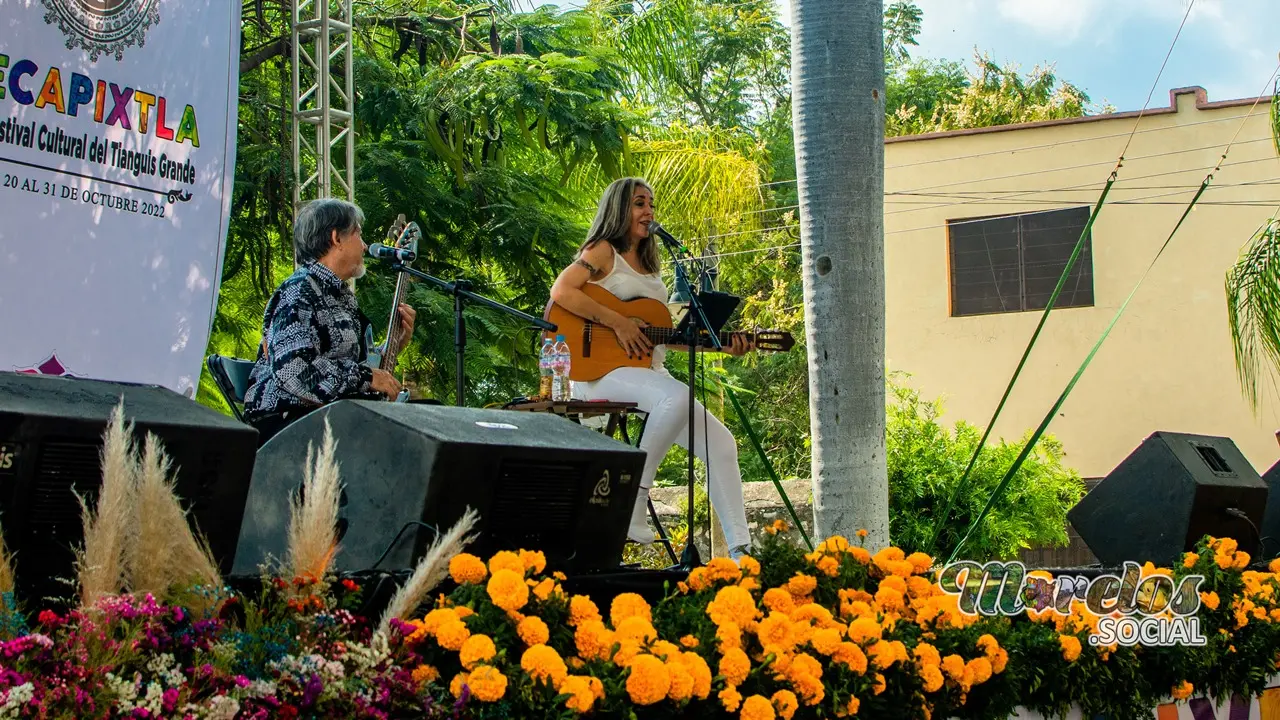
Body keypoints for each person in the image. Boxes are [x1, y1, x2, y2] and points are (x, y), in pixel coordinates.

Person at [549, 177, 756, 559]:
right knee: (676, 396)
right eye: (640, 204)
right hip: (596, 373)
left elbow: (659, 337)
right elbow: (561, 292)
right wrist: (618, 322)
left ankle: (741, 552)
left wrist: (724, 346)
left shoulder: (650, 266)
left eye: (652, 205)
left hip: (647, 374)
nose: (649, 212)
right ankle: (632, 501)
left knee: (722, 444)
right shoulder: (601, 251)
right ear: (619, 210)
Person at [243, 198, 415, 446]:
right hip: (288, 427)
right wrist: (366, 378)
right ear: (337, 238)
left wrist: (393, 347)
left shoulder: (342, 296)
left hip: (332, 420)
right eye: (358, 233)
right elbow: (294, 371)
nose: (365, 246)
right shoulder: (299, 292)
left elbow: (350, 367)